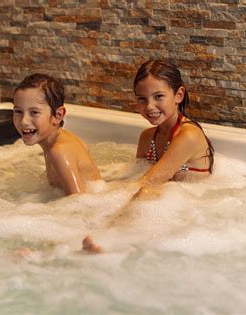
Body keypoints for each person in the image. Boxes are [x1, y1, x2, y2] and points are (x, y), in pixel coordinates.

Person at [82, 59, 214, 253]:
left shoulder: (189, 135)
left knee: (144, 193)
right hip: (163, 206)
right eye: (142, 99)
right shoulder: (147, 137)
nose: (150, 106)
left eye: (158, 96)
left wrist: (111, 218)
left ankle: (109, 240)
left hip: (196, 208)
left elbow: (152, 181)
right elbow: (135, 177)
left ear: (179, 95)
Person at [12, 73, 101, 195]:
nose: (24, 121)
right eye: (18, 111)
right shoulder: (55, 140)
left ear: (58, 115)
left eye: (34, 112)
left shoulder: (59, 151)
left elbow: (78, 202)